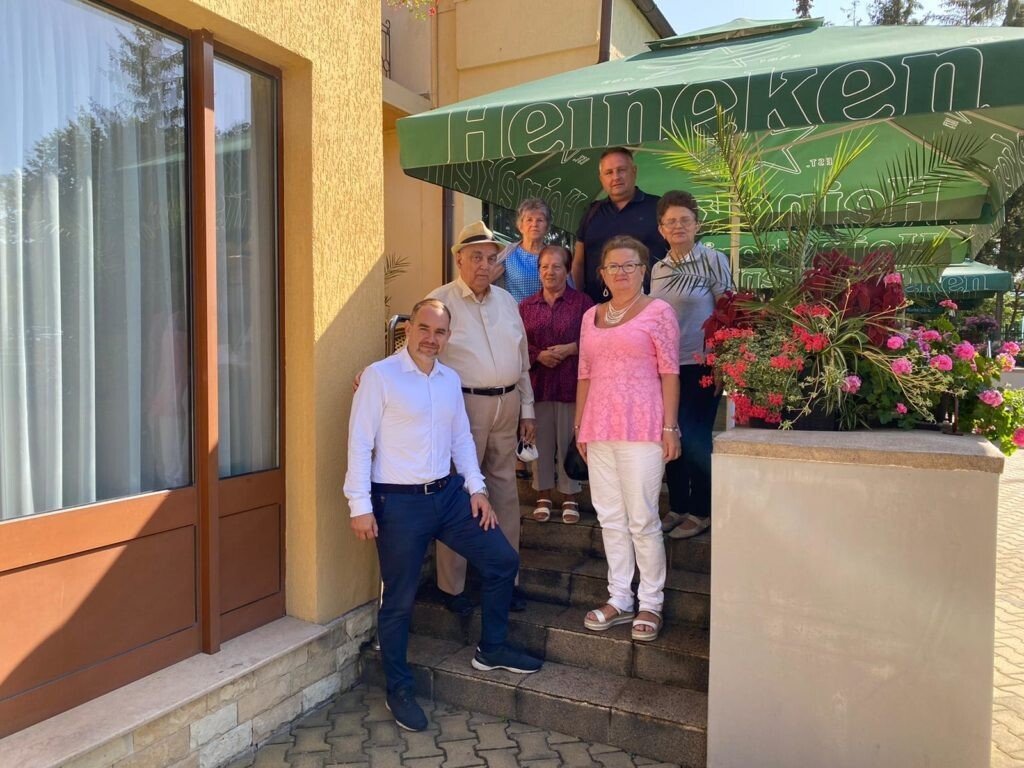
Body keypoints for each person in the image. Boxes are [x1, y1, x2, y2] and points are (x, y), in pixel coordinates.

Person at [344, 298, 542, 732]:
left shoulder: (450, 379)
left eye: (440, 332)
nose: (431, 339)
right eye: (424, 328)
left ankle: (492, 648)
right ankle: (398, 687)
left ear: (448, 337)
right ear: (408, 328)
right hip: (398, 503)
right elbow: (359, 443)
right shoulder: (380, 376)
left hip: (448, 495)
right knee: (399, 601)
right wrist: (359, 506)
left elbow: (461, 440)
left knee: (501, 560)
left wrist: (477, 489)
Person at [575, 235, 680, 643]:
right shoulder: (590, 316)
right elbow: (585, 374)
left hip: (643, 427)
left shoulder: (659, 312)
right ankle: (619, 597)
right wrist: (579, 426)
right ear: (602, 273)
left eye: (629, 265)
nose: (621, 272)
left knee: (642, 518)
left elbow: (670, 372)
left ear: (643, 270)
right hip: (599, 428)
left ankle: (651, 601)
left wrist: (670, 427)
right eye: (613, 266)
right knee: (610, 517)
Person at [429, 221, 536, 615]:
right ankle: (452, 586)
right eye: (476, 257)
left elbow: (522, 361)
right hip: (463, 407)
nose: (484, 266)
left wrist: (528, 409)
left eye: (491, 259)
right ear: (458, 259)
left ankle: (505, 578)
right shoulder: (440, 301)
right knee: (458, 493)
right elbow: (419, 351)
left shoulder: (507, 302)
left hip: (507, 404)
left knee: (505, 492)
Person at [649, 191, 733, 540]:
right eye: (671, 222)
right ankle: (678, 505)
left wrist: (722, 360)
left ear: (697, 224)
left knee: (696, 437)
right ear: (661, 229)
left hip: (701, 363)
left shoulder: (713, 260)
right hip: (665, 368)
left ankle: (701, 510)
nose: (678, 226)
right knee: (670, 434)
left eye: (685, 220)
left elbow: (729, 311)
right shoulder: (657, 269)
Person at [518, 245, 593, 523]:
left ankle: (570, 496)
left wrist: (572, 348)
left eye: (557, 266)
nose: (550, 272)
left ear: (567, 270)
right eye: (545, 266)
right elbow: (517, 345)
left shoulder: (583, 304)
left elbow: (596, 341)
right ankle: (543, 495)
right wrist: (539, 355)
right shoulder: (525, 306)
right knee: (541, 442)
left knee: (567, 441)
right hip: (538, 385)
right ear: (538, 271)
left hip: (571, 385)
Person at [572, 147, 667, 304]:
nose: (616, 177)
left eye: (621, 170)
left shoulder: (659, 208)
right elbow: (579, 262)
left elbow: (678, 257)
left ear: (634, 171)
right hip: (597, 308)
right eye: (609, 172)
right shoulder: (591, 212)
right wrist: (579, 299)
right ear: (601, 178)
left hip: (648, 308)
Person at [492, 198, 552, 302]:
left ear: (547, 227)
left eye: (540, 220)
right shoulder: (508, 254)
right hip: (514, 311)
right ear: (520, 226)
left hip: (548, 312)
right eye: (529, 220)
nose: (534, 224)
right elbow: (488, 280)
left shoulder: (553, 256)